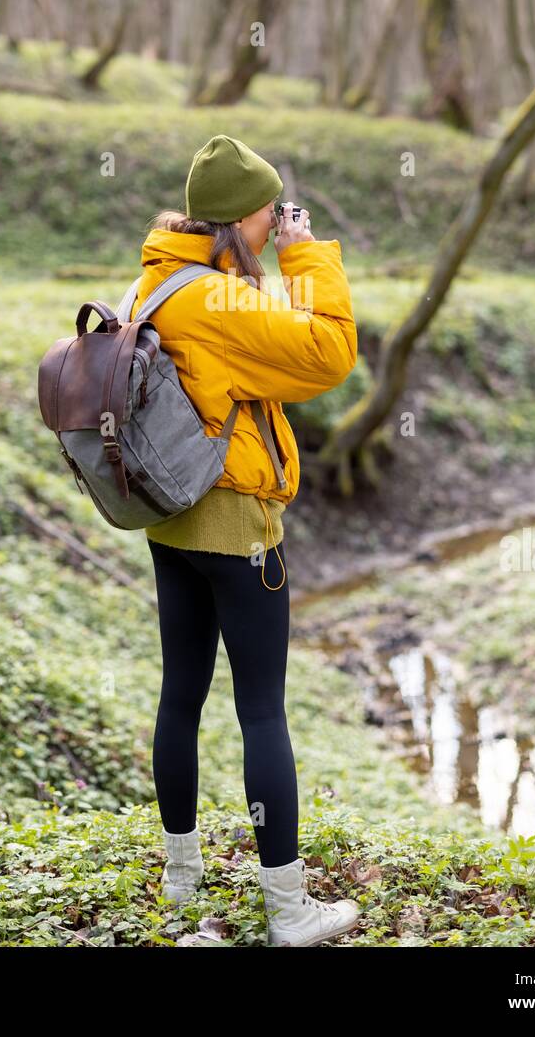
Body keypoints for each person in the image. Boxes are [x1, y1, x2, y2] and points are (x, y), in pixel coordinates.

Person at [127, 134, 360, 947]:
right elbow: (328, 352)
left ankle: (182, 885)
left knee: (179, 696)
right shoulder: (222, 301)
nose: (274, 225)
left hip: (168, 519)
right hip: (235, 525)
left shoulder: (155, 279)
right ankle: (288, 910)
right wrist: (306, 258)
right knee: (261, 709)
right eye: (268, 214)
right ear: (233, 220)